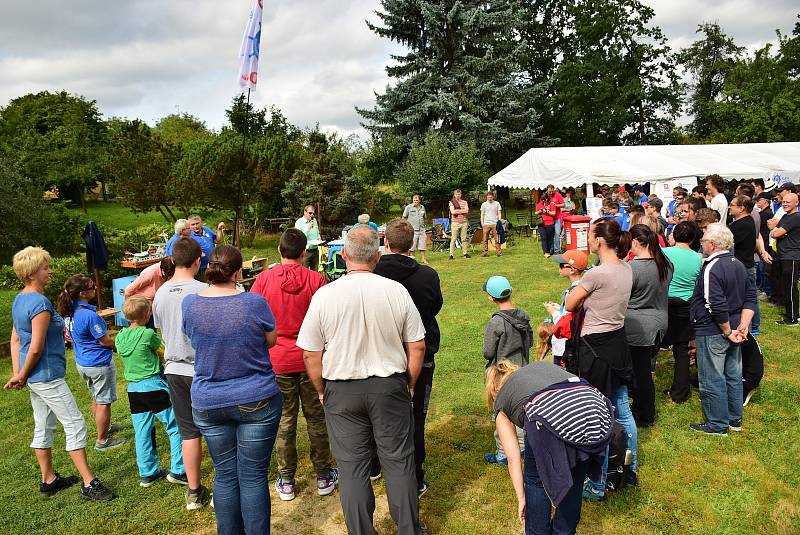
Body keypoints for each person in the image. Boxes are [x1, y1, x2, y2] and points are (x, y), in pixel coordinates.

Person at [298, 226, 426, 535]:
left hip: (341, 389)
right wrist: (409, 383)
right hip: (389, 384)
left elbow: (310, 354)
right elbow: (417, 345)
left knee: (352, 467)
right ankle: (408, 529)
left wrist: (321, 390)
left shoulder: (325, 295)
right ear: (378, 256)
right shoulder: (396, 291)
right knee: (398, 462)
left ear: (343, 256)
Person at [183, 245, 281, 535]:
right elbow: (271, 339)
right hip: (255, 397)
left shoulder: (190, 303)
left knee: (225, 475)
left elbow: (192, 338)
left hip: (209, 399)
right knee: (251, 477)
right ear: (239, 272)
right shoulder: (254, 302)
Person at [5, 247, 114, 501]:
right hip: (46, 375)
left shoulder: (19, 299)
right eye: (45, 267)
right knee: (75, 423)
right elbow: (35, 347)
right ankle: (89, 483)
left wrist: (18, 373)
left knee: (44, 423)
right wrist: (21, 374)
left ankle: (49, 479)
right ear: (32, 273)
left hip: (34, 377)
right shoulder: (39, 303)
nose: (50, 271)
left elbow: (14, 339)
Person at [249, 228, 337, 502]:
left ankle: (287, 478)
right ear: (303, 253)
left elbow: (252, 317)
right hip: (312, 360)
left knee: (284, 421)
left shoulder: (263, 281)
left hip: (277, 360)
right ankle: (323, 474)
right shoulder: (316, 280)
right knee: (317, 417)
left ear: (279, 250)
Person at [487, 360, 613, 535]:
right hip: (595, 408)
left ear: (494, 389)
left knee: (536, 481)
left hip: (550, 411)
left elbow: (513, 458)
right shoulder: (540, 367)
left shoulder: (502, 401)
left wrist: (522, 498)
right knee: (575, 483)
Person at [565, 218, 637, 500]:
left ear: (599, 241)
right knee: (622, 407)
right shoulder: (627, 268)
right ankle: (630, 469)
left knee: (599, 414)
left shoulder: (597, 273)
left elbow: (571, 304)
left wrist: (576, 292)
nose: (588, 241)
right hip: (619, 340)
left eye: (591, 236)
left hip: (596, 347)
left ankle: (597, 482)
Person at [373, 218, 443, 495]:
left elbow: (434, 306)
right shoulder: (427, 275)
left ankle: (376, 464)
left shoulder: (373, 273)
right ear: (412, 243)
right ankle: (412, 473)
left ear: (386, 243)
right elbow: (434, 305)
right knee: (415, 417)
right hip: (419, 352)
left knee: (378, 413)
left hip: (384, 352)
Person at [152, 237, 210, 510]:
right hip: (201, 369)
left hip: (173, 369)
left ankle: (194, 491)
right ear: (198, 260)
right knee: (215, 430)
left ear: (173, 260)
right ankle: (220, 486)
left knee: (189, 433)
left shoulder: (160, 293)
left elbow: (162, 329)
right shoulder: (203, 290)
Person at [689, 223, 757, 435]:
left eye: (703, 242)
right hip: (735, 327)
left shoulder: (712, 267)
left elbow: (715, 304)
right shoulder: (738, 264)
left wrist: (728, 331)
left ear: (712, 244)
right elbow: (750, 299)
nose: (702, 245)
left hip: (715, 329)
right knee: (732, 375)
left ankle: (717, 424)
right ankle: (734, 419)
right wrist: (743, 326)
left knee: (712, 377)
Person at [114, 296, 186, 488]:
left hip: (134, 390)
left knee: (142, 431)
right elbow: (164, 352)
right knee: (175, 426)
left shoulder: (119, 338)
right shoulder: (147, 335)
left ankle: (148, 472)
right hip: (153, 386)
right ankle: (179, 469)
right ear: (147, 315)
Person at [57, 275, 126, 452]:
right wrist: (122, 345)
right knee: (104, 401)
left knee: (97, 396)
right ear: (83, 293)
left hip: (83, 363)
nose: (95, 289)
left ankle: (105, 427)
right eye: (92, 287)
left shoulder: (69, 312)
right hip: (98, 364)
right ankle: (102, 440)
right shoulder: (89, 316)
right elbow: (105, 341)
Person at [482, 275, 533, 466]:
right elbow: (531, 342)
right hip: (522, 370)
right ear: (511, 291)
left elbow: (488, 352)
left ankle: (504, 453)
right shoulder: (524, 317)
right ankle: (522, 446)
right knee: (521, 409)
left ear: (491, 298)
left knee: (501, 413)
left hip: (501, 373)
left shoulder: (496, 322)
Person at [625, 225, 673, 427]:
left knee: (639, 373)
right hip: (659, 323)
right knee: (643, 369)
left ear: (635, 242)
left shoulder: (633, 268)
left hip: (638, 327)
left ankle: (644, 413)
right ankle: (644, 409)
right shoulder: (665, 263)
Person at [662, 222, 703, 403]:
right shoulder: (697, 258)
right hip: (685, 305)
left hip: (663, 302)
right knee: (682, 349)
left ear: (674, 235)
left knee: (651, 348)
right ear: (693, 238)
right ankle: (680, 392)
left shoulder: (664, 253)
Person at [728, 195, 767, 333]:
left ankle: (754, 325)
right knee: (750, 296)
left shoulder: (742, 224)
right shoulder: (746, 221)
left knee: (748, 297)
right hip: (746, 265)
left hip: (744, 266)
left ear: (741, 208)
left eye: (732, 205)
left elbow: (728, 243)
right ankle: (754, 324)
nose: (729, 207)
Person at [544, 250, 588, 369]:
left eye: (561, 265)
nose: (559, 268)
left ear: (572, 269)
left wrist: (553, 312)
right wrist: (559, 308)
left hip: (565, 347)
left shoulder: (573, 293)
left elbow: (567, 324)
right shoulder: (584, 286)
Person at [771, 192, 800, 325]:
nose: (785, 203)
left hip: (792, 256)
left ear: (796, 203)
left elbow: (776, 232)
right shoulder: (785, 216)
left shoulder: (795, 217)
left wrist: (778, 231)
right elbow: (773, 229)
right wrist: (777, 231)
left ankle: (793, 317)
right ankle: (791, 313)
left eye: (789, 201)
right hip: (783, 255)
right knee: (785, 285)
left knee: (790, 286)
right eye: (783, 201)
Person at [124, 257, 175, 329]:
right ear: (163, 271)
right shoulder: (150, 273)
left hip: (151, 311)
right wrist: (129, 309)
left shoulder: (172, 270)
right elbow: (128, 290)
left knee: (150, 335)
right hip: (139, 312)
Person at [188, 215, 225, 280]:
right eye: (193, 224)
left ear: (201, 223)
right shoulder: (189, 235)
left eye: (197, 223)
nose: (195, 226)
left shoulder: (206, 229)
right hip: (199, 268)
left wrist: (219, 229)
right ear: (189, 225)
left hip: (212, 264)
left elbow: (217, 240)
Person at [755, 193, 775, 297]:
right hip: (764, 242)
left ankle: (765, 290)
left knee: (764, 268)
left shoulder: (766, 214)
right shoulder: (763, 213)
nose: (757, 201)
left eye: (759, 200)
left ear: (765, 201)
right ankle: (763, 288)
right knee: (762, 268)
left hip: (766, 243)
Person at [402, 194, 429, 265]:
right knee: (412, 246)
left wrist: (424, 225)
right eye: (414, 200)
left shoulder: (422, 207)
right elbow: (404, 218)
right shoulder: (408, 207)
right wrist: (405, 227)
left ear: (419, 200)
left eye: (417, 200)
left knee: (422, 244)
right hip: (412, 230)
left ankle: (423, 259)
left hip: (422, 229)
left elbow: (425, 217)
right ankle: (412, 260)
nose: (415, 201)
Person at [295, 204, 322, 271]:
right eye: (310, 213)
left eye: (313, 213)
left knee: (315, 272)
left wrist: (319, 238)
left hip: (315, 250)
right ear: (305, 212)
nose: (312, 215)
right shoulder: (299, 222)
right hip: (305, 252)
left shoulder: (314, 221)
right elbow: (299, 237)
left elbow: (317, 232)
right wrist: (308, 228)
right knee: (304, 272)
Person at [449, 189, 470, 260]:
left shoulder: (465, 202)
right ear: (454, 195)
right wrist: (462, 211)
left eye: (459, 194)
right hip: (455, 223)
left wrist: (457, 211)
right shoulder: (452, 202)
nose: (458, 195)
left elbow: (466, 211)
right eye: (456, 194)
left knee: (464, 239)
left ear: (461, 195)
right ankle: (451, 255)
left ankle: (465, 253)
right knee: (453, 239)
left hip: (464, 223)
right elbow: (453, 212)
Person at [480, 191, 503, 257]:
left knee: (497, 238)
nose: (489, 198)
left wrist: (499, 221)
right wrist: (482, 223)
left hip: (495, 223)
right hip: (486, 224)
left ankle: (498, 252)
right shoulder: (483, 204)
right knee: (485, 239)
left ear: (493, 197)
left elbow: (499, 213)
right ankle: (485, 252)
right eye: (488, 197)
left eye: (491, 197)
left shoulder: (497, 203)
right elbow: (482, 214)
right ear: (486, 197)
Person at [546, 185, 566, 253]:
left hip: (557, 218)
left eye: (552, 191)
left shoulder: (558, 195)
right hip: (549, 218)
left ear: (553, 190)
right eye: (549, 191)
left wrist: (555, 205)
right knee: (550, 234)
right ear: (547, 190)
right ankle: (551, 249)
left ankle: (556, 250)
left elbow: (563, 204)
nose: (551, 193)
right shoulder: (546, 195)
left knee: (557, 233)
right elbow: (542, 204)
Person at [536, 193, 557, 257]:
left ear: (548, 199)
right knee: (544, 238)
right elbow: (536, 212)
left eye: (545, 200)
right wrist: (540, 211)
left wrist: (547, 211)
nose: (544, 202)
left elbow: (554, 213)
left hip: (550, 223)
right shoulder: (539, 204)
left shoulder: (552, 204)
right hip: (541, 224)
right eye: (543, 200)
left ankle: (548, 251)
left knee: (550, 239)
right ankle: (545, 252)